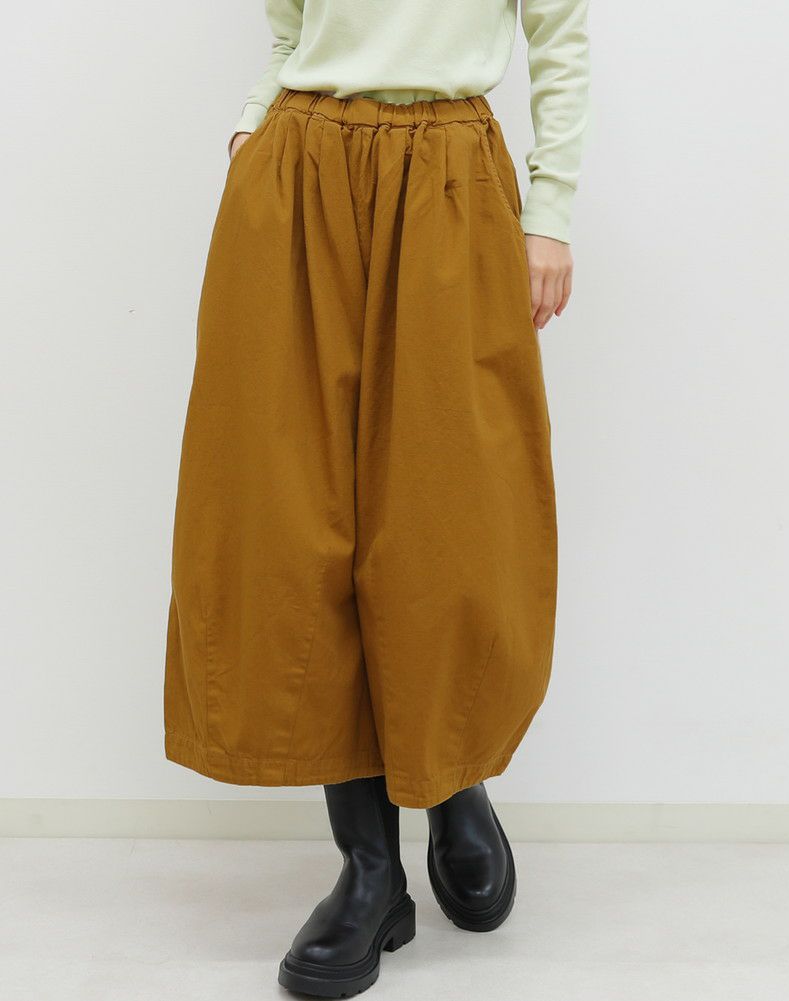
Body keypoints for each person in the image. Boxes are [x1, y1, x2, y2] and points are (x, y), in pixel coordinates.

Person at [163, 0, 589, 995]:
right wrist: (251, 127)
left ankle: (449, 774)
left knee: (445, 520)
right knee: (294, 518)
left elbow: (560, 40)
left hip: (449, 173)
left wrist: (549, 212)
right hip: (299, 171)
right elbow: (289, 34)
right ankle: (369, 869)